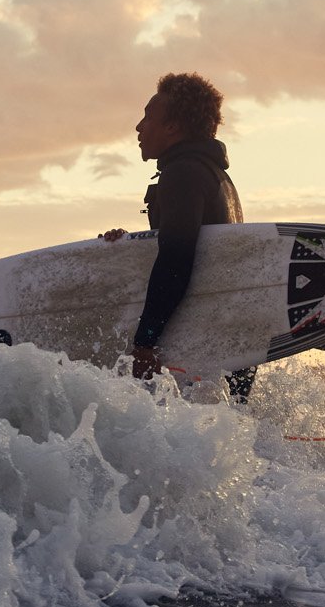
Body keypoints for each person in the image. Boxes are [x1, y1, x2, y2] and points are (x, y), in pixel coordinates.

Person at [100, 72, 255, 402]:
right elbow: (200, 250)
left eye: (148, 117)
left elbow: (177, 257)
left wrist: (146, 341)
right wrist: (132, 248)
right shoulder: (217, 177)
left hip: (200, 342)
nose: (139, 127)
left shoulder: (183, 173)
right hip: (228, 343)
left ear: (172, 127)